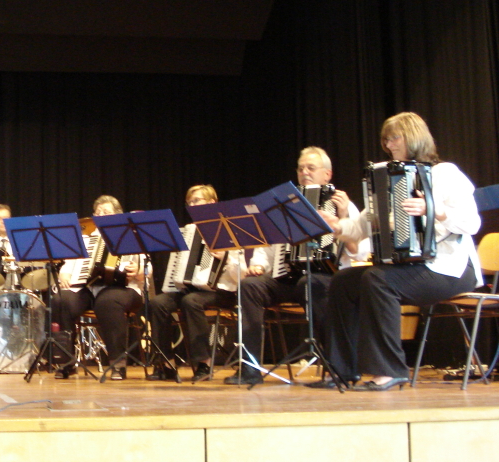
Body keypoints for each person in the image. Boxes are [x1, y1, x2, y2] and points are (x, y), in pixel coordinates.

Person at [313, 112, 481, 391]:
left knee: (378, 279)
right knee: (343, 281)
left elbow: (471, 223)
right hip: (410, 267)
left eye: (394, 139)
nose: (389, 146)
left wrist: (434, 210)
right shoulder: (389, 178)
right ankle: (341, 370)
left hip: (451, 268)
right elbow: (363, 225)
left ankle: (388, 370)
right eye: (386, 140)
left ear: (414, 137)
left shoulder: (445, 173)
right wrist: (337, 226)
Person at [224, 146, 368, 385]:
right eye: (301, 169)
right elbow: (267, 246)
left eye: (311, 168)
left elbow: (359, 252)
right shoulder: (283, 205)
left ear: (327, 174)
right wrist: (258, 266)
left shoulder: (343, 204)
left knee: (310, 283)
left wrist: (343, 217)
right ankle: (249, 368)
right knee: (249, 287)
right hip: (286, 276)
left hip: (328, 277)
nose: (304, 173)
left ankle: (338, 368)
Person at [148, 185, 246, 382]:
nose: (192, 205)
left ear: (212, 203)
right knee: (158, 302)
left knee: (191, 301)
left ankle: (204, 363)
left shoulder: (228, 229)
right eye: (189, 202)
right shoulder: (188, 231)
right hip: (191, 291)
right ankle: (166, 364)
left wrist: (226, 258)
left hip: (223, 291)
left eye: (197, 201)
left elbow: (241, 275)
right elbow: (179, 265)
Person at [51, 195, 145, 380]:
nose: (101, 216)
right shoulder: (86, 237)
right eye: (98, 213)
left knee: (108, 301)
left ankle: (118, 364)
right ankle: (66, 362)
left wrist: (138, 271)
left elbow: (146, 268)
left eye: (106, 212)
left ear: (118, 215)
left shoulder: (130, 235)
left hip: (124, 289)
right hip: (88, 288)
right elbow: (69, 263)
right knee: (61, 300)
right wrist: (64, 273)